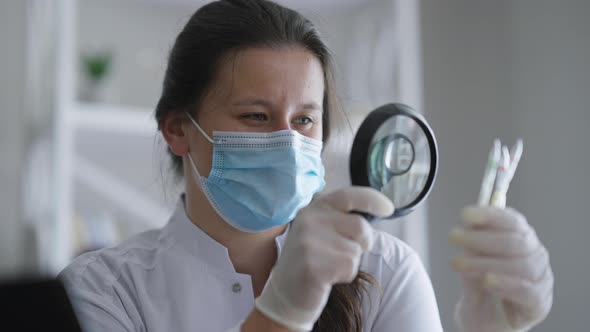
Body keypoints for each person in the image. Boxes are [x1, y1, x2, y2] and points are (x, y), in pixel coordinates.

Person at [58, 0, 554, 331]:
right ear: (177, 129)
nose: (286, 142)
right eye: (255, 116)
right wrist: (283, 312)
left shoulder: (387, 270)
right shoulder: (104, 291)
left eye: (304, 119)